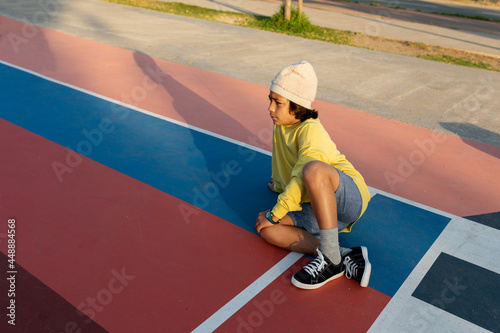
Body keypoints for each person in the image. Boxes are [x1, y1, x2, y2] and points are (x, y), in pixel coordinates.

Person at [255, 60, 372, 290]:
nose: (270, 107)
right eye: (270, 99)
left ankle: (328, 261)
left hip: (347, 197)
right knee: (266, 228)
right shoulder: (281, 124)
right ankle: (340, 254)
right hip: (316, 207)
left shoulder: (311, 131)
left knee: (313, 168)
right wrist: (279, 185)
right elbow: (283, 162)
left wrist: (277, 211)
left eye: (277, 102)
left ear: (296, 105)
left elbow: (301, 175)